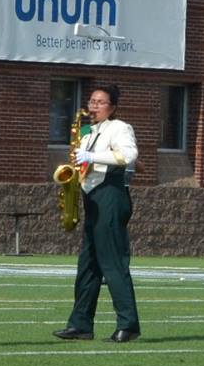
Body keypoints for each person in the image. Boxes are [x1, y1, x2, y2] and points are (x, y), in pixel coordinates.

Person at [54, 84, 143, 342]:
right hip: (91, 197)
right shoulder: (87, 130)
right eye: (91, 101)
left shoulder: (120, 128)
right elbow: (80, 159)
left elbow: (129, 155)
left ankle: (129, 324)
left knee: (113, 263)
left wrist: (92, 156)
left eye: (100, 102)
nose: (93, 106)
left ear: (112, 107)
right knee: (88, 266)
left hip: (111, 196)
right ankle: (80, 324)